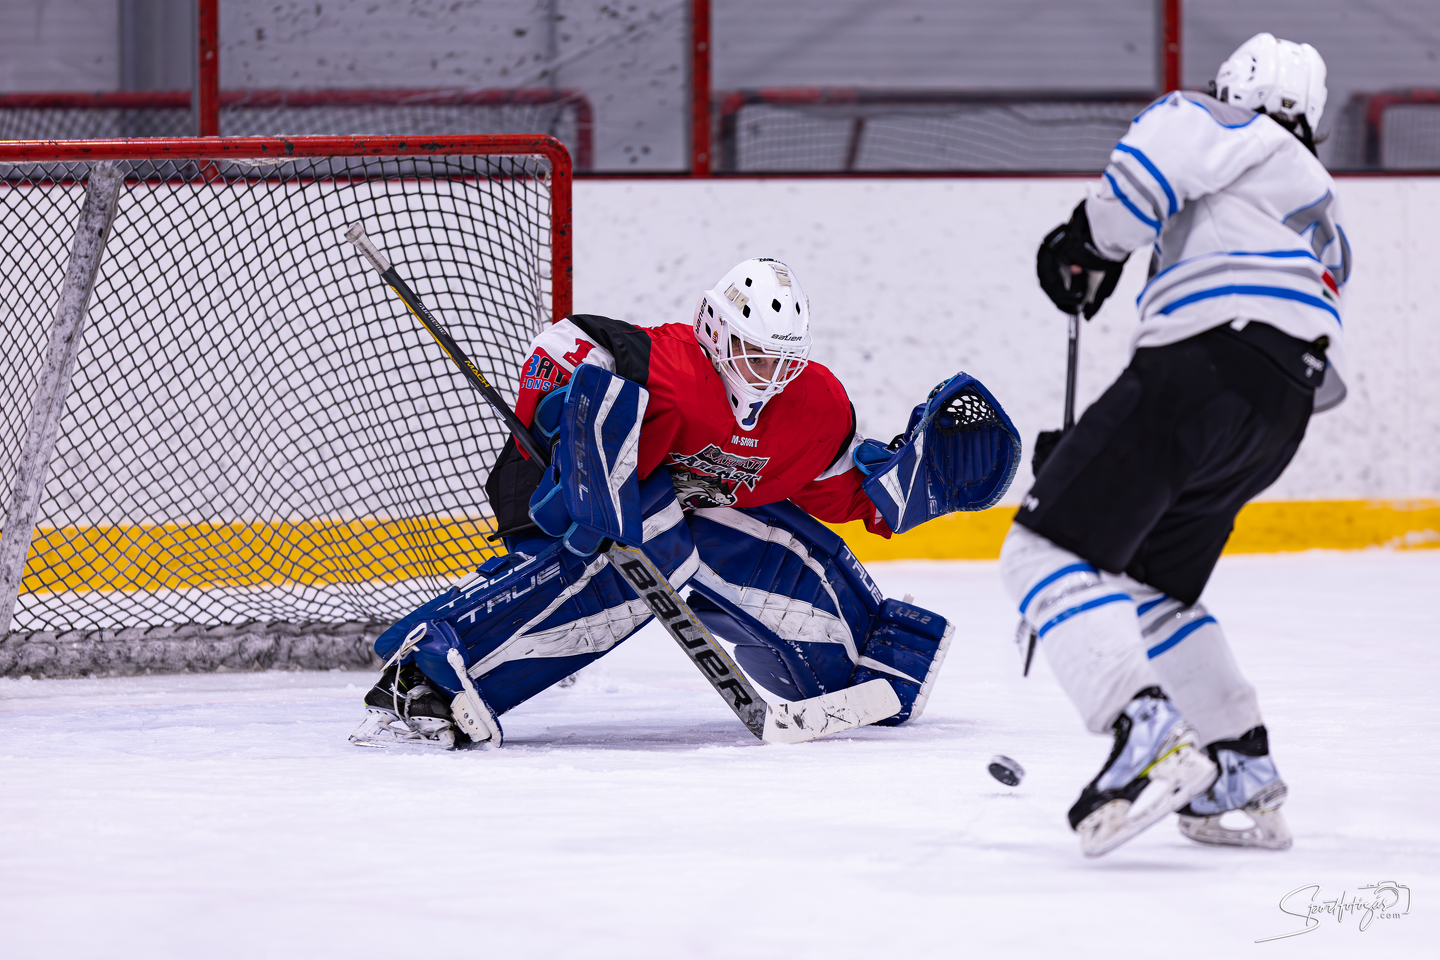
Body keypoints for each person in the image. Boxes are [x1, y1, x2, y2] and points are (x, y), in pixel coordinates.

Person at [353, 257, 1020, 748]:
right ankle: (437, 672)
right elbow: (565, 344)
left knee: (802, 581)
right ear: (717, 332)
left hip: (705, 527)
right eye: (756, 356)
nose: (771, 376)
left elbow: (828, 481)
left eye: (784, 360)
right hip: (587, 514)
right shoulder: (669, 366)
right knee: (641, 543)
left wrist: (897, 487)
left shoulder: (812, 406)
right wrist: (568, 431)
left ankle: (865, 656)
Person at [1001, 33, 1349, 857]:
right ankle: (1238, 768)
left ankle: (1146, 729)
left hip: (1206, 365)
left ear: (1233, 89)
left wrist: (1085, 243)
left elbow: (1145, 173)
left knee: (1039, 552)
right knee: (1151, 588)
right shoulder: (1318, 204)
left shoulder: (1220, 121)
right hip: (1280, 407)